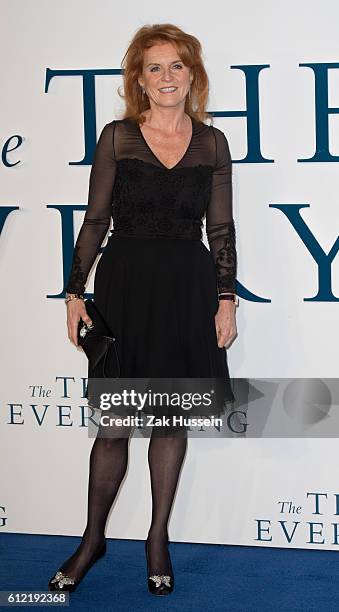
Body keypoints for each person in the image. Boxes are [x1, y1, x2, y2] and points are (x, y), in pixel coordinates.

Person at [48, 23, 238, 596]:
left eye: (177, 65)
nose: (167, 77)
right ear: (139, 78)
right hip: (127, 285)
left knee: (170, 418)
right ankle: (92, 540)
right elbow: (95, 220)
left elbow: (221, 228)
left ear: (193, 75)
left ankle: (158, 538)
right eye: (155, 67)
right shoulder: (117, 137)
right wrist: (76, 291)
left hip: (187, 287)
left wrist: (226, 297)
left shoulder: (212, 144)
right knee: (114, 425)